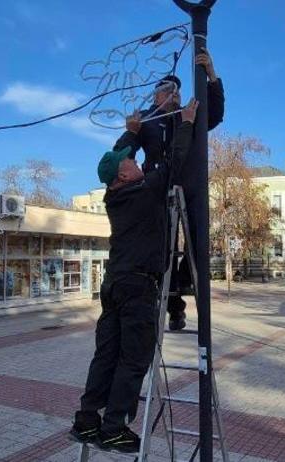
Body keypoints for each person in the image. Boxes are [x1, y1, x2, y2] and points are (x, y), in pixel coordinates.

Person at [70, 99, 199, 454]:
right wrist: (186, 123)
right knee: (132, 358)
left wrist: (131, 132)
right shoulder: (145, 192)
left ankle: (87, 420)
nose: (136, 160)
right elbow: (173, 164)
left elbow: (113, 160)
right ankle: (113, 428)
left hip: (114, 284)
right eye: (132, 160)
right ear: (125, 174)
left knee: (105, 355)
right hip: (138, 286)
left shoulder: (116, 195)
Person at [113, 47, 225, 331]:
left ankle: (186, 283)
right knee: (162, 249)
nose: (174, 94)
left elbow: (217, 113)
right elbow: (121, 155)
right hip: (158, 191)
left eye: (176, 90)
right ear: (156, 95)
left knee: (198, 244)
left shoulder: (188, 116)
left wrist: (212, 75)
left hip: (192, 188)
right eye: (167, 90)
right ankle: (173, 307)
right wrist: (132, 130)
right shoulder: (148, 121)